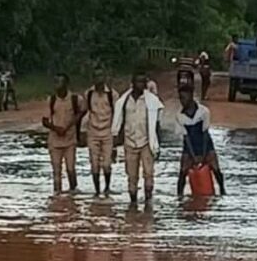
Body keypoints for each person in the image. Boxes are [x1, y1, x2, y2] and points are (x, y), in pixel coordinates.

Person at [111, 74, 164, 204]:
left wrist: (157, 145)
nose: (141, 84)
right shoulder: (124, 102)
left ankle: (148, 201)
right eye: (138, 81)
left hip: (147, 142)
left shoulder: (151, 101)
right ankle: (133, 203)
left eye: (143, 81)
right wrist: (114, 146)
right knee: (131, 176)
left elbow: (156, 124)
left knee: (149, 174)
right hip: (129, 142)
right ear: (133, 83)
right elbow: (119, 122)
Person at [175, 85, 225, 196]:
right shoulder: (179, 115)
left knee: (216, 169)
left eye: (184, 98)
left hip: (205, 144)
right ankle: (179, 197)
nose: (182, 101)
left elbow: (205, 134)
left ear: (191, 96)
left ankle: (222, 191)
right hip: (189, 146)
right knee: (183, 172)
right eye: (181, 98)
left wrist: (202, 155)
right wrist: (194, 157)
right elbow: (186, 138)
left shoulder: (203, 111)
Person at [42, 73, 84, 194]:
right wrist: (56, 129)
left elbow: (82, 111)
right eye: (55, 82)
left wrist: (71, 126)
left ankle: (73, 192)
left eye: (60, 82)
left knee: (71, 169)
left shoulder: (75, 99)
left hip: (70, 140)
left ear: (66, 84)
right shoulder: (51, 100)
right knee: (56, 170)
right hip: (54, 141)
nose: (57, 85)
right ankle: (57, 194)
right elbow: (45, 121)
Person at [85, 67, 119, 195]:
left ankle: (107, 187)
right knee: (94, 164)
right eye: (96, 76)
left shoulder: (112, 95)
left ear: (104, 78)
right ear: (93, 78)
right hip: (92, 132)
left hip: (107, 132)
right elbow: (87, 113)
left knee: (106, 164)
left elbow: (117, 114)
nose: (99, 79)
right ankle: (97, 190)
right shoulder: (88, 94)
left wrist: (116, 135)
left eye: (101, 76)